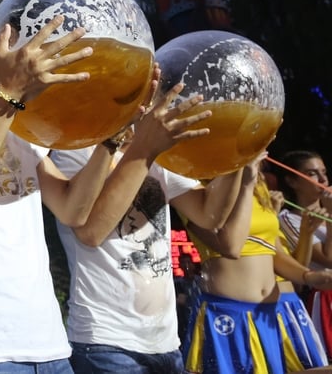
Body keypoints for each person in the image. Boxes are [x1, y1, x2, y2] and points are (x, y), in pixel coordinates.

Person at [0, 0, 207, 372]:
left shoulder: (19, 117)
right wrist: (7, 96)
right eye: (15, 61)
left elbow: (72, 208)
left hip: (49, 346)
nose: (27, 76)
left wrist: (114, 133)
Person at [50, 106, 251, 372]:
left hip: (165, 342)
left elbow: (209, 214)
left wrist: (238, 153)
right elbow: (91, 233)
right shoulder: (77, 150)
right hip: (105, 341)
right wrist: (140, 146)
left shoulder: (158, 156)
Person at [183, 154, 332, 373]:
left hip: (274, 311)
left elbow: (273, 252)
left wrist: (309, 276)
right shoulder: (194, 182)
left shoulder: (257, 183)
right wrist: (244, 184)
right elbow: (230, 245)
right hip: (229, 315)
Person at [276, 150, 332, 357]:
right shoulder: (289, 218)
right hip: (325, 298)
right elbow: (328, 259)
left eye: (324, 172)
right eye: (312, 173)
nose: (323, 179)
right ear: (292, 181)